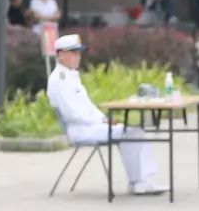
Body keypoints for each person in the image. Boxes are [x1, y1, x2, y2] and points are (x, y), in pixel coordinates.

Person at [46, 34, 168, 195]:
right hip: (81, 129)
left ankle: (141, 181)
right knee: (133, 133)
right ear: (61, 55)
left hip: (90, 125)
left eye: (79, 53)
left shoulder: (71, 75)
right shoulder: (59, 79)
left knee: (134, 131)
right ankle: (139, 182)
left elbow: (87, 106)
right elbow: (73, 113)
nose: (78, 57)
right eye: (74, 53)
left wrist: (104, 119)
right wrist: (101, 121)